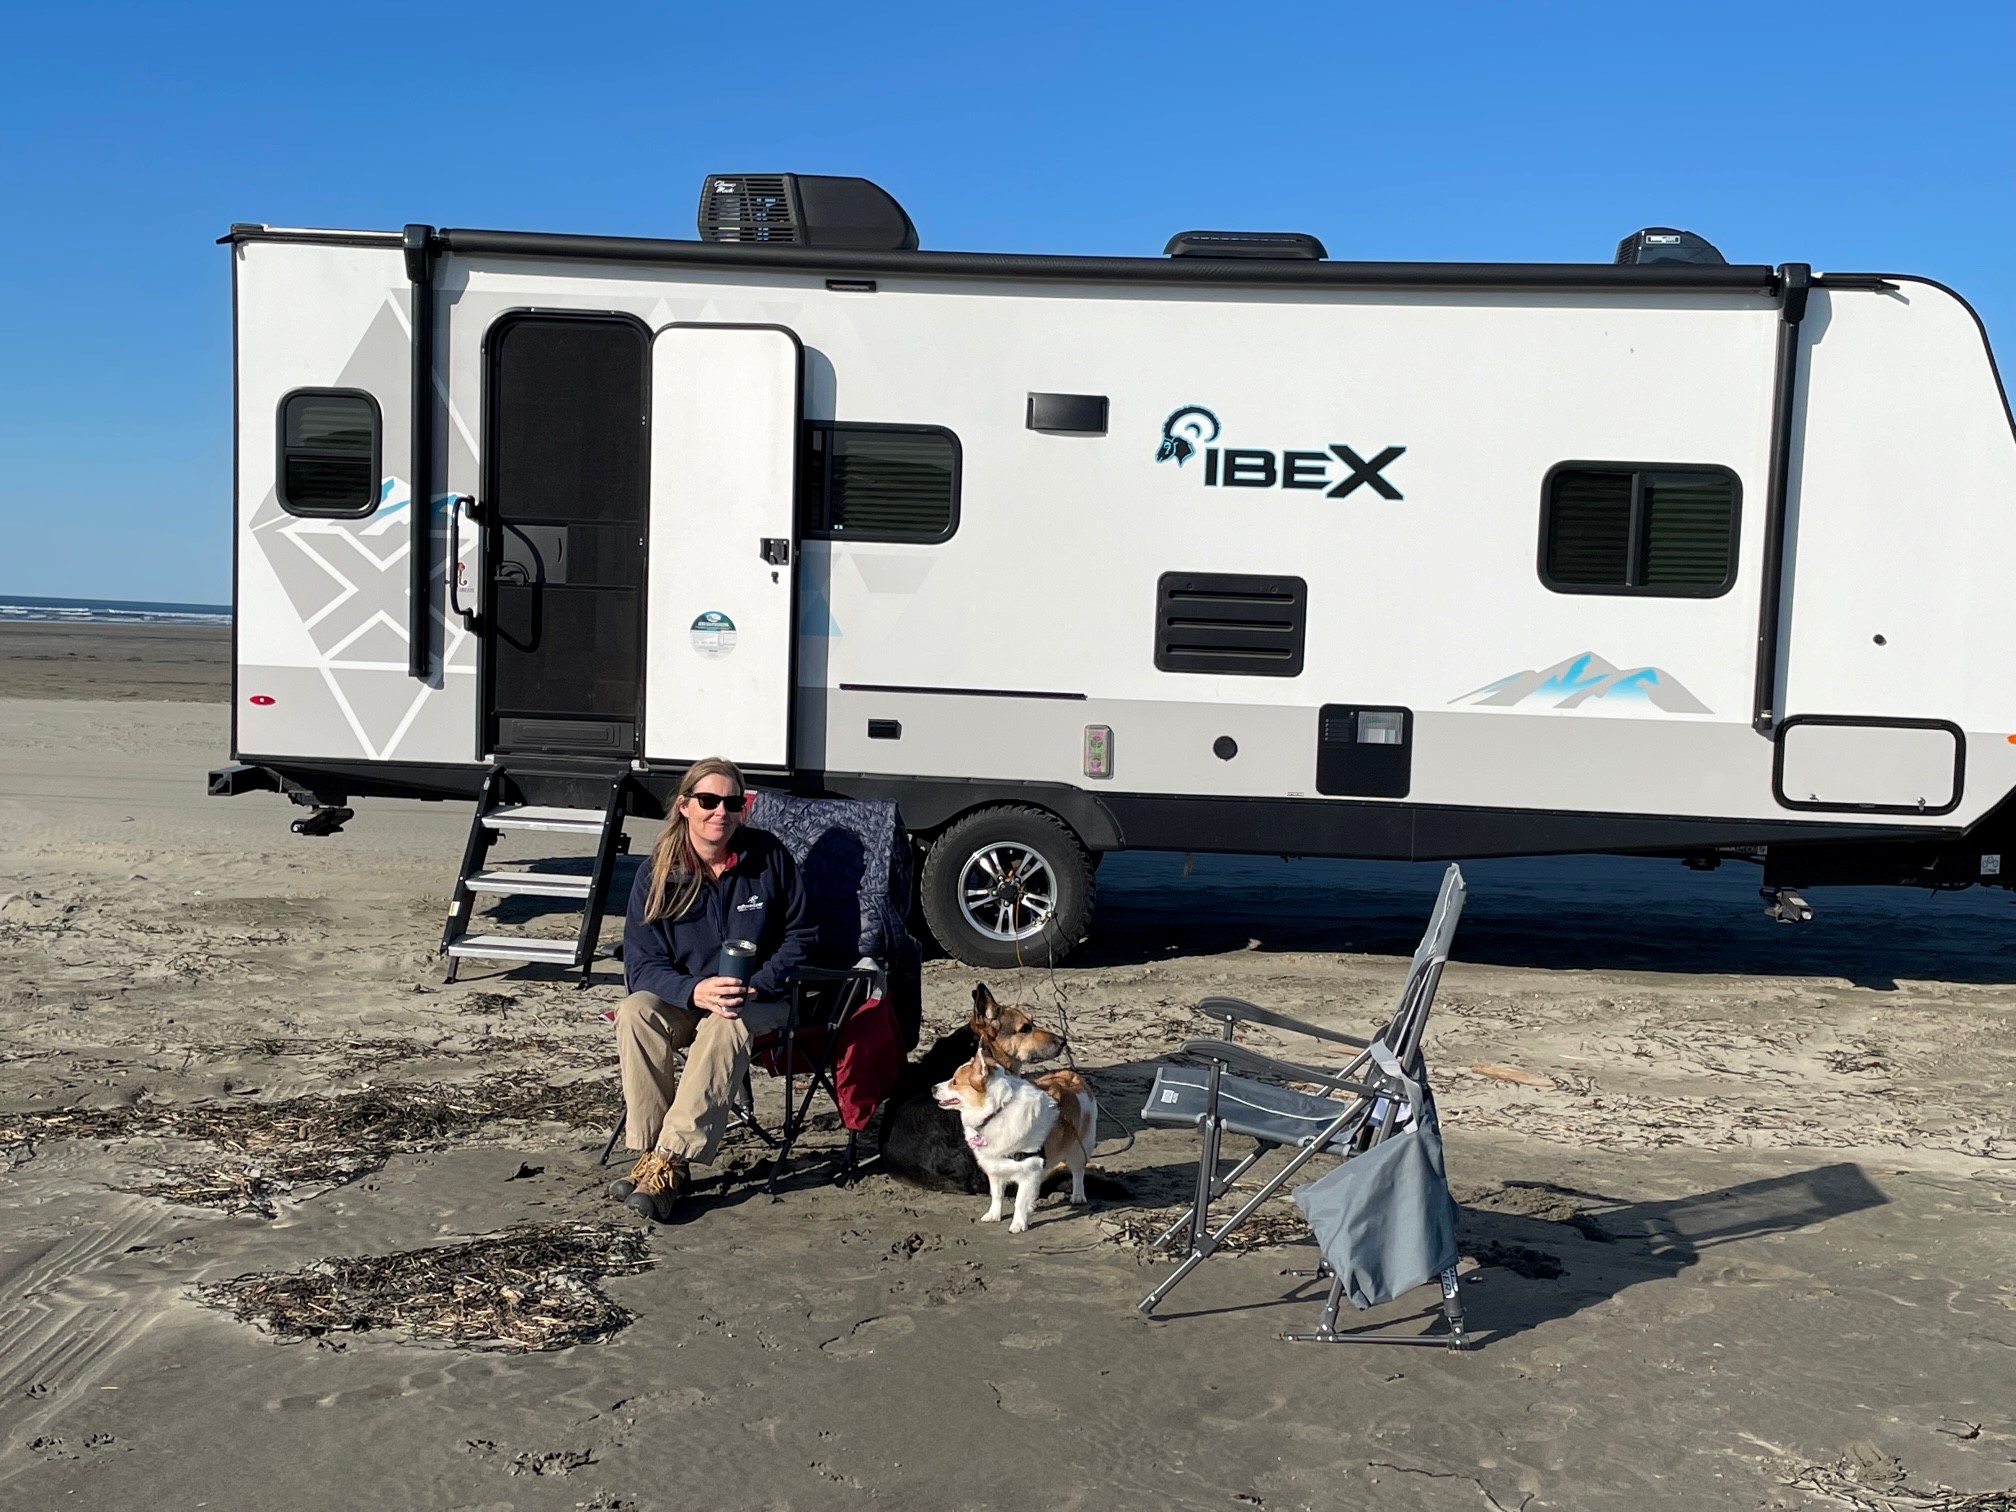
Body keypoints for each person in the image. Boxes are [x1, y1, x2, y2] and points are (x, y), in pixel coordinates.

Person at [611, 757, 816, 1221]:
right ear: (684, 806)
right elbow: (641, 965)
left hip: (763, 1001)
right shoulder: (657, 872)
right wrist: (694, 991)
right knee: (636, 1012)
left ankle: (669, 1161)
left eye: (732, 802)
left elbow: (802, 936)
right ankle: (652, 1155)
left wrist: (758, 986)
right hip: (688, 997)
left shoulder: (768, 858)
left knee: (728, 1023)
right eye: (708, 801)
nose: (720, 811)